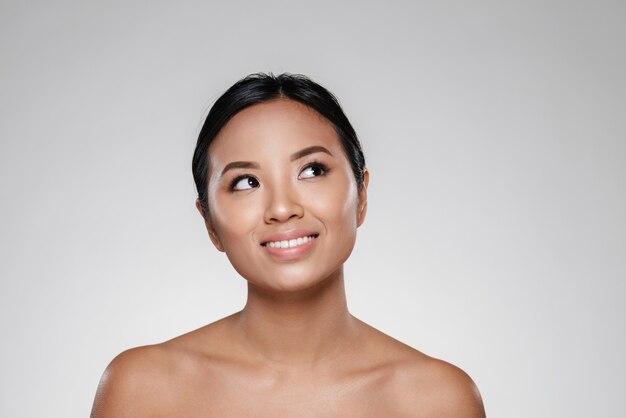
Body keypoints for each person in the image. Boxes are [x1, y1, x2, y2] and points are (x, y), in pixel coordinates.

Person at [90, 73, 485, 417]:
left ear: (361, 195)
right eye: (245, 181)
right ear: (209, 222)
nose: (281, 208)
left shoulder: (437, 401)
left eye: (312, 170)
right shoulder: (143, 389)